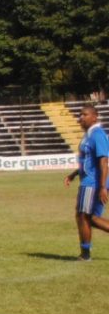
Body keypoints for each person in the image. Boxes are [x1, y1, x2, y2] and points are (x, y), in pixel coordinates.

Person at [63, 103, 109, 261]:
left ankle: (85, 254)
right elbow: (88, 161)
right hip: (89, 181)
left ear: (94, 117)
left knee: (83, 216)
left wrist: (102, 187)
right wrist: (74, 173)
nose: (80, 118)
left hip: (93, 183)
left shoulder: (97, 134)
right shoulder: (89, 134)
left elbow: (103, 161)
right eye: (80, 115)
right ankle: (85, 253)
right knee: (90, 217)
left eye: (84, 115)